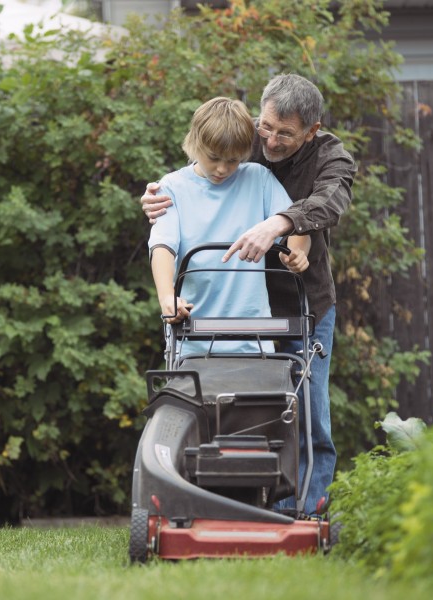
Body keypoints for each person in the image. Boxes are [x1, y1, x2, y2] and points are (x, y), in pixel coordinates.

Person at [142, 74, 356, 515]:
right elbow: (170, 226)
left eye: (285, 134)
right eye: (266, 127)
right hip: (219, 311)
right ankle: (226, 501)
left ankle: (304, 512)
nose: (271, 139)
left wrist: (289, 235)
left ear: (310, 131)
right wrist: (155, 198)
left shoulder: (324, 158)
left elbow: (325, 208)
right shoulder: (242, 140)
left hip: (299, 303)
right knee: (222, 410)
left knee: (305, 414)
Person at [148, 96, 311, 360]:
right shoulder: (172, 187)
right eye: (214, 158)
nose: (222, 169)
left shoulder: (258, 179)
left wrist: (296, 252)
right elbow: (162, 246)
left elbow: (294, 223)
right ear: (195, 143)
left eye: (233, 161)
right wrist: (168, 298)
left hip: (254, 338)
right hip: (192, 337)